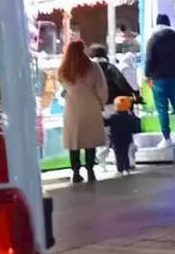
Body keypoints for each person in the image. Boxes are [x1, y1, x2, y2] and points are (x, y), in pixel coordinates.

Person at [56, 40, 108, 183]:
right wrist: (101, 103)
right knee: (90, 139)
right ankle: (90, 170)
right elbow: (101, 87)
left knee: (74, 140)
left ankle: (76, 172)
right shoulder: (93, 66)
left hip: (72, 105)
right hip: (90, 104)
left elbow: (62, 88)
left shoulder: (63, 69)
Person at [88, 44, 142, 174]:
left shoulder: (90, 70)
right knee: (123, 135)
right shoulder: (111, 68)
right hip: (116, 106)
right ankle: (129, 161)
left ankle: (102, 162)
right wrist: (132, 99)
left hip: (99, 107)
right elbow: (123, 85)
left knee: (104, 136)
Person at [145, 13, 175, 148]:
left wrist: (148, 74)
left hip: (159, 79)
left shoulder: (153, 39)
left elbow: (149, 59)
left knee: (162, 109)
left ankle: (167, 138)